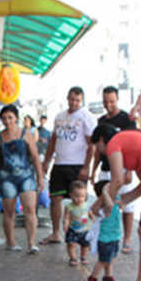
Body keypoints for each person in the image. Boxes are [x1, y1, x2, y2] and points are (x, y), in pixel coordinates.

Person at [91, 125, 141, 281]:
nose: (100, 152)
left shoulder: (114, 144)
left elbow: (117, 181)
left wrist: (97, 205)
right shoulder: (129, 144)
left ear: (101, 140)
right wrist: (122, 201)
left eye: (97, 147)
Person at [40, 87, 96, 245]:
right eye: (72, 99)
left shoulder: (86, 117)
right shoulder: (59, 116)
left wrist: (86, 167)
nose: (74, 103)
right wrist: (47, 161)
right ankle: (56, 233)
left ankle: (81, 233)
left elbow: (92, 144)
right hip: (59, 164)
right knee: (55, 198)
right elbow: (53, 141)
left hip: (77, 165)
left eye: (78, 100)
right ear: (67, 98)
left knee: (79, 201)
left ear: (82, 101)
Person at [0, 104, 43, 253]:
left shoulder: (26, 134)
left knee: (30, 209)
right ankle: (10, 242)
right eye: (4, 118)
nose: (7, 121)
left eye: (10, 117)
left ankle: (31, 243)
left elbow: (36, 157)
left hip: (26, 177)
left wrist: (40, 178)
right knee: (9, 211)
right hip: (6, 179)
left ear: (16, 118)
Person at [91, 86, 137, 253]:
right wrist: (92, 170)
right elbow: (97, 148)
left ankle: (127, 238)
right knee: (107, 203)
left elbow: (132, 145)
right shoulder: (101, 120)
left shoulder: (127, 119)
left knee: (127, 205)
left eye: (111, 101)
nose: (108, 105)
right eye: (105, 101)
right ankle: (108, 236)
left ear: (117, 99)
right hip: (106, 167)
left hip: (124, 167)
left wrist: (130, 171)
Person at [86, 181, 122, 281]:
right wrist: (105, 192)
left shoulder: (115, 201)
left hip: (114, 236)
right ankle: (93, 278)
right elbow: (108, 205)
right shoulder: (104, 208)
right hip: (105, 239)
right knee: (103, 260)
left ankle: (108, 276)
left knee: (110, 258)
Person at [63, 180, 93, 266]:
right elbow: (66, 217)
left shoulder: (87, 205)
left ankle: (83, 257)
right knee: (71, 244)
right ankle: (73, 258)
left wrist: (94, 220)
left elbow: (90, 214)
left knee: (85, 245)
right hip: (73, 229)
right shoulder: (69, 207)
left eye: (82, 196)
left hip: (85, 229)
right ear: (71, 195)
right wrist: (65, 224)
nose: (80, 199)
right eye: (77, 196)